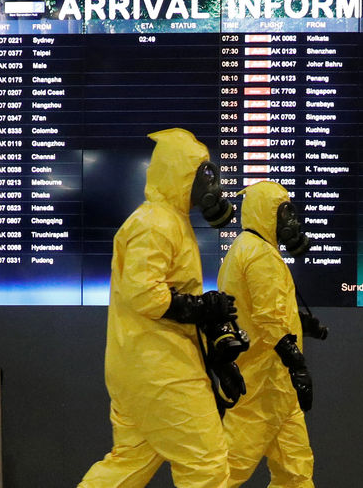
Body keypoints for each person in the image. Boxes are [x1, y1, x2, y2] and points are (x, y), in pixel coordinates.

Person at [79, 127, 243, 488]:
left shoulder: (170, 222)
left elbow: (170, 296)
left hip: (146, 367)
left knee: (128, 465)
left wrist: (217, 355)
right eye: (205, 175)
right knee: (207, 466)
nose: (213, 187)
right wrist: (201, 307)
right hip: (161, 371)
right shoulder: (155, 223)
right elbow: (146, 295)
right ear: (181, 174)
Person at [217, 180, 327, 488]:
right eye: (284, 213)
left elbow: (255, 309)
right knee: (227, 471)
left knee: (295, 472)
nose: (291, 222)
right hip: (263, 384)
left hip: (276, 387)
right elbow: (268, 321)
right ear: (266, 213)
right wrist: (299, 366)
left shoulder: (245, 248)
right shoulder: (260, 255)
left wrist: (301, 325)